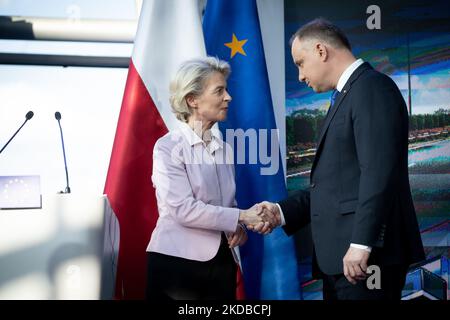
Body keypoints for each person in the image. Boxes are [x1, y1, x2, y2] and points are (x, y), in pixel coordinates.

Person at [256, 18, 425, 300]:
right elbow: (335, 185)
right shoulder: (347, 96)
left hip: (366, 259)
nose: (299, 75)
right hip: (342, 261)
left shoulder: (371, 89)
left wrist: (362, 243)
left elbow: (378, 173)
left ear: (321, 51)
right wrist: (280, 212)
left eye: (300, 62)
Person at [146, 57, 263, 300]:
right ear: (192, 100)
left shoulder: (224, 148)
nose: (228, 97)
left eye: (226, 90)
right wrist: (242, 216)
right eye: (219, 91)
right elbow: (183, 210)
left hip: (222, 263)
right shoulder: (167, 147)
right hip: (177, 264)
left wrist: (238, 226)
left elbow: (225, 207)